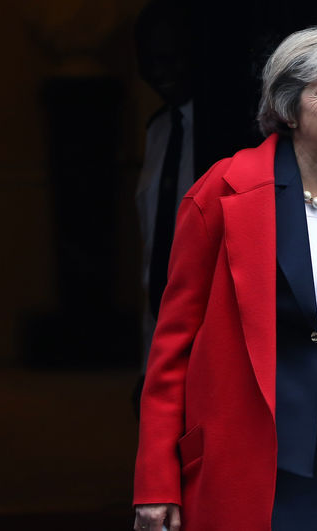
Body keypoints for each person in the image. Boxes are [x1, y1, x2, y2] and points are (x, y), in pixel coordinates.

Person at [133, 22, 317, 531]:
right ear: (289, 107)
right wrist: (157, 481)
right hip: (253, 459)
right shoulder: (221, 192)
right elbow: (171, 348)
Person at [133, 0, 197, 384]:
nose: (160, 71)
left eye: (172, 56)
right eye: (150, 59)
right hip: (160, 337)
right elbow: (152, 250)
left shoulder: (224, 136)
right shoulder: (157, 132)